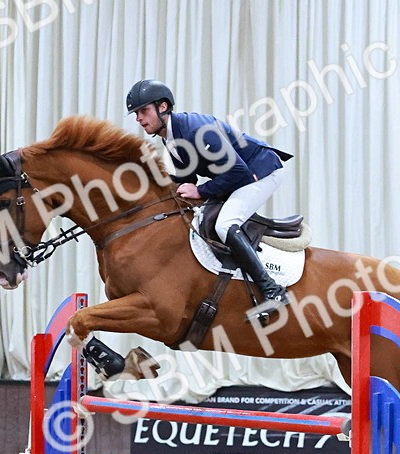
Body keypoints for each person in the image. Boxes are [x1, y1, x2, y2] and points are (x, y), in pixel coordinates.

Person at [126, 79, 293, 321]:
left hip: (262, 170)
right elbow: (187, 177)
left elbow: (239, 172)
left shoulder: (195, 130)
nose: (139, 119)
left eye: (143, 111)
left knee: (224, 224)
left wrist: (202, 191)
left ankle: (273, 291)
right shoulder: (169, 136)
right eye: (136, 114)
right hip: (239, 174)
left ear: (163, 107)